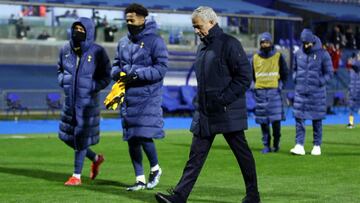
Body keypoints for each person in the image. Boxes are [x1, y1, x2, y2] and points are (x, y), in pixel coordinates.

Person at [155, 6, 260, 203]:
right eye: (194, 27)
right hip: (205, 111)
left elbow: (244, 77)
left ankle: (253, 196)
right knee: (195, 156)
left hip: (227, 110)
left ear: (211, 22)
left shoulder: (230, 43)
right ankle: (179, 197)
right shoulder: (202, 46)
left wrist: (222, 99)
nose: (196, 31)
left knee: (242, 155)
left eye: (198, 26)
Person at [111, 3, 168, 191]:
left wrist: (136, 74)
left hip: (148, 96)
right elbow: (115, 65)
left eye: (132, 19)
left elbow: (160, 69)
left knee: (143, 135)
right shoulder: (123, 43)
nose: (129, 23)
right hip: (128, 97)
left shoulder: (155, 41)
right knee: (132, 138)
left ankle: (156, 168)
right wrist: (119, 75)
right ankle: (140, 179)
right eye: (127, 20)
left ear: (143, 19)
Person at [57, 17, 111, 185]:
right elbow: (60, 69)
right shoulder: (65, 49)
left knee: (80, 137)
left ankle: (76, 176)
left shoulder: (98, 51)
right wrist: (63, 81)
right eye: (76, 29)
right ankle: (95, 158)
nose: (78, 32)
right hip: (70, 102)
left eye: (82, 30)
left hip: (88, 103)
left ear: (89, 32)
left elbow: (106, 75)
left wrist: (93, 86)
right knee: (67, 137)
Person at [290, 29, 333, 156]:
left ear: (313, 41)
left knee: (317, 120)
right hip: (301, 92)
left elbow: (329, 73)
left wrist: (319, 82)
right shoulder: (298, 53)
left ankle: (316, 145)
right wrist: (296, 78)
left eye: (308, 43)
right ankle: (299, 145)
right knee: (299, 119)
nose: (306, 45)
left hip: (317, 93)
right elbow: (294, 69)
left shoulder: (323, 54)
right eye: (304, 43)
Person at [252, 32, 288, 154]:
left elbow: (285, 73)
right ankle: (266, 145)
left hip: (274, 92)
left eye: (267, 42)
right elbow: (252, 75)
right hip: (260, 92)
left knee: (276, 122)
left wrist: (280, 85)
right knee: (263, 122)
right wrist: (254, 86)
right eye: (262, 42)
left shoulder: (278, 56)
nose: (264, 44)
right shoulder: (255, 57)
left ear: (271, 43)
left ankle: (276, 144)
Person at [346, 53, 360, 129]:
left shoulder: (356, 65)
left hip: (356, 90)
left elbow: (355, 65)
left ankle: (351, 123)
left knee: (352, 107)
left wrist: (352, 60)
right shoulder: (352, 69)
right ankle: (351, 123)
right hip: (353, 89)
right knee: (351, 107)